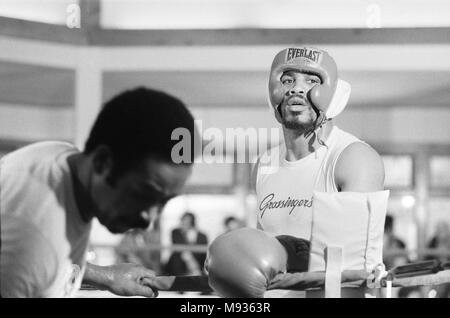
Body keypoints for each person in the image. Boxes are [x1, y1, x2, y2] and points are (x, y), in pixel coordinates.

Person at [0, 87, 200, 297]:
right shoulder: (30, 240)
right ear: (102, 162)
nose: (149, 218)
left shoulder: (60, 157)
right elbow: (35, 258)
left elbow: (51, 264)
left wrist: (105, 275)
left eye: (164, 201)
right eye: (144, 194)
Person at [251, 46, 385, 297]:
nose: (296, 88)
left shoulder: (353, 158)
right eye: (287, 79)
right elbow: (263, 251)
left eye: (312, 80)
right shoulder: (264, 163)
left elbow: (351, 271)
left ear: (336, 95)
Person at [164, 212, 208, 276]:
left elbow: (203, 254)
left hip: (197, 265)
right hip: (179, 266)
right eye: (183, 220)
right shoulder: (176, 232)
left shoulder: (202, 235)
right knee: (181, 255)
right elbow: (180, 246)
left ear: (192, 223)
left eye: (188, 221)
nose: (184, 223)